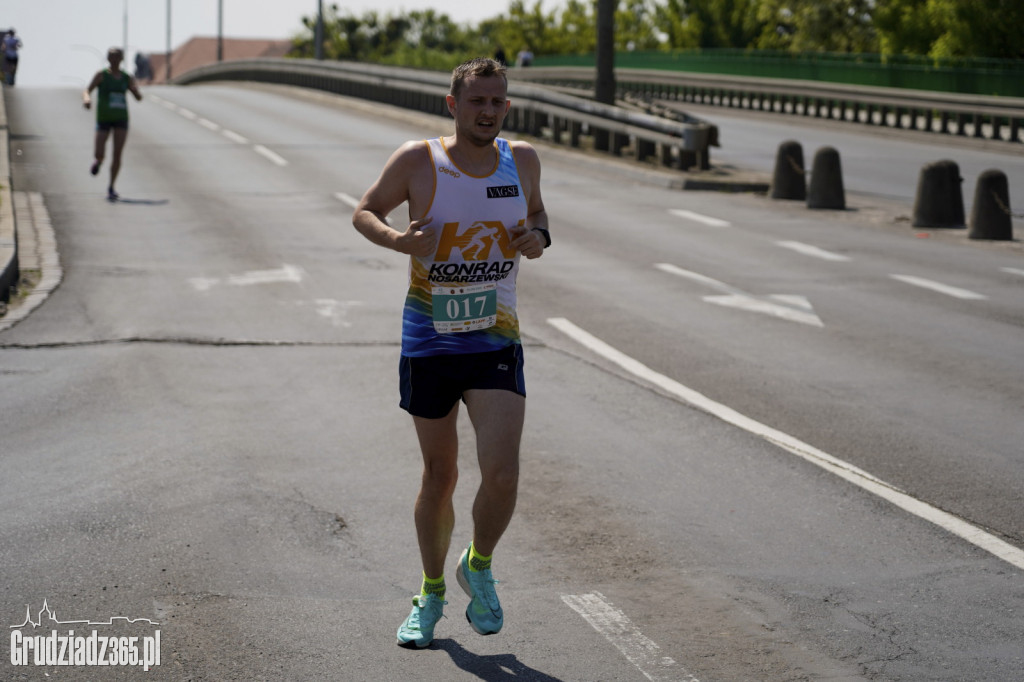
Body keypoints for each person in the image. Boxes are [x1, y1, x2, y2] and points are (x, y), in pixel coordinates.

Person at [352, 56, 550, 649]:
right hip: (431, 339)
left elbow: (537, 218)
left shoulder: (523, 160)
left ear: (506, 107)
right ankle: (431, 591)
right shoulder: (419, 161)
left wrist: (536, 238)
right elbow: (364, 211)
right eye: (476, 102)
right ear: (453, 106)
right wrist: (399, 240)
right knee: (441, 475)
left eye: (497, 102)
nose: (487, 111)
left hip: (495, 336)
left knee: (504, 472)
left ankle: (479, 565)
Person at [82, 48, 142, 201]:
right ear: (108, 59)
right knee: (99, 152)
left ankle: (111, 186)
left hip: (121, 118)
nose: (114, 60)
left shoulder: (126, 77)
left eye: (117, 58)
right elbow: (87, 91)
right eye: (112, 57)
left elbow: (139, 97)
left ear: (121, 59)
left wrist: (135, 91)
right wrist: (87, 100)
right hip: (104, 118)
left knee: (117, 154)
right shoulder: (102, 75)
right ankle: (98, 162)